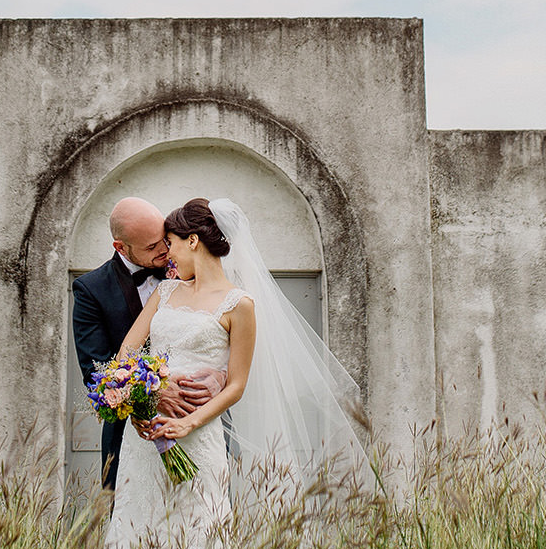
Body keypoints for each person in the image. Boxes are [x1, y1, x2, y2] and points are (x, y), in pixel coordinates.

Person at [106, 198, 366, 548]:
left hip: (197, 436)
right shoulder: (165, 292)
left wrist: (188, 423)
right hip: (147, 435)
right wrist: (144, 401)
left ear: (193, 242)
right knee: (136, 528)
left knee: (197, 528)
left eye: (172, 244)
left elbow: (237, 385)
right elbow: (126, 354)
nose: (169, 256)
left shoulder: (239, 304)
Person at [73, 197, 226, 491]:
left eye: (165, 241)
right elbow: (96, 371)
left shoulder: (195, 270)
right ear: (121, 247)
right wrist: (151, 394)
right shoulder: (91, 290)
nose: (164, 252)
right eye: (151, 247)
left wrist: (220, 375)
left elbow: (224, 336)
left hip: (200, 422)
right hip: (134, 433)